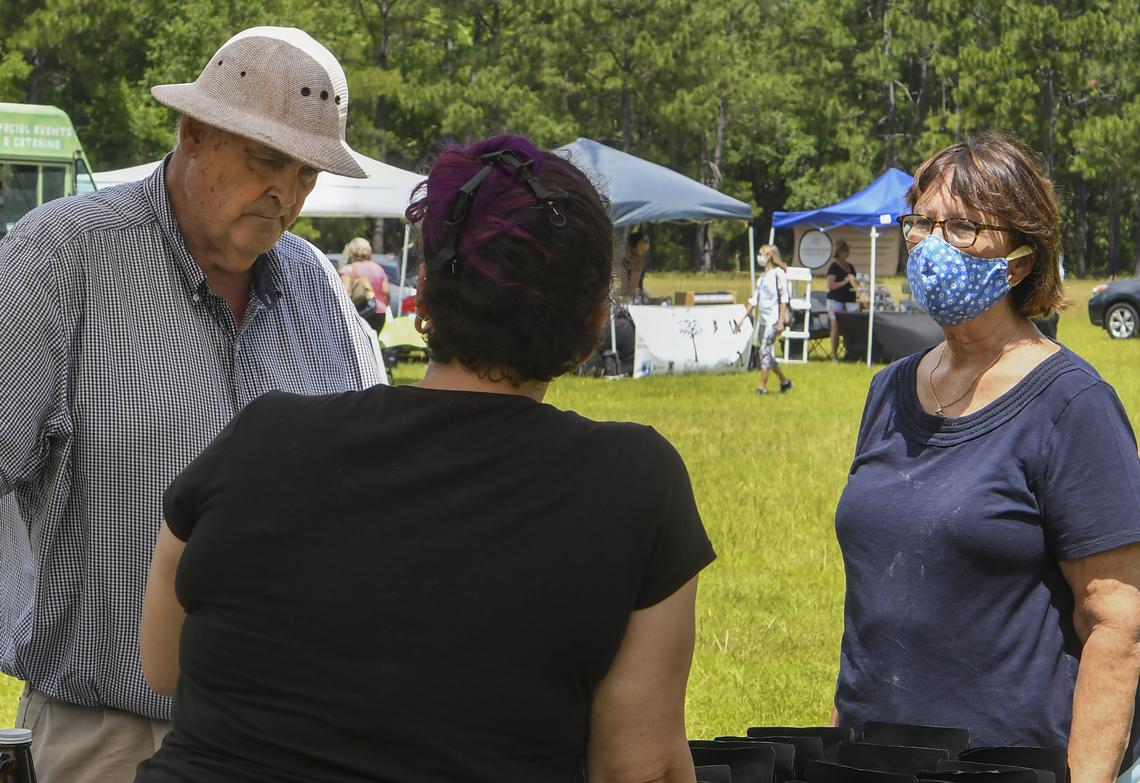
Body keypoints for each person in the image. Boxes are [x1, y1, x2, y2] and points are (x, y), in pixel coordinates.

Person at [135, 135, 715, 783]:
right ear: (592, 324)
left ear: (425, 293)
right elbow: (638, 765)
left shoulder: (261, 437)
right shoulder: (633, 483)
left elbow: (162, 664)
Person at [0, 26, 384, 783]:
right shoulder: (59, 258)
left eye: (307, 172)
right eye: (267, 159)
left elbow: (379, 497)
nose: (288, 193)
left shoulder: (319, 290)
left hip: (302, 733)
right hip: (112, 737)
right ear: (195, 133)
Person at [831, 131, 1140, 783]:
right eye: (923, 221)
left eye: (964, 227)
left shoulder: (1072, 405)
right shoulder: (888, 390)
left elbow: (1117, 624)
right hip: (870, 759)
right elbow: (875, 603)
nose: (932, 243)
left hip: (1003, 766)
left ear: (1021, 261)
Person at [737, 244, 793, 395]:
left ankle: (762, 385)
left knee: (764, 350)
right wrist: (742, 318)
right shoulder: (762, 278)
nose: (760, 257)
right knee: (766, 353)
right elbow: (754, 300)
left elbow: (784, 299)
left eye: (762, 254)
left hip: (773, 318)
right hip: (762, 319)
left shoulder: (778, 274)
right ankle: (784, 381)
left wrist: (781, 320)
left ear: (770, 256)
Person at [340, 235, 391, 332]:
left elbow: (345, 293)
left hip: (358, 313)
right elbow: (386, 291)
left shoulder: (348, 270)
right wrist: (385, 304)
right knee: (374, 343)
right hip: (379, 313)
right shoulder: (378, 268)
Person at [826, 239, 859, 360]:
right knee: (835, 326)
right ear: (840, 253)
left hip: (849, 300)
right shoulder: (833, 267)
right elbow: (830, 285)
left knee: (850, 326)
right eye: (845, 251)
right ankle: (834, 354)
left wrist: (853, 281)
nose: (847, 253)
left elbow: (856, 285)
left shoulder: (850, 267)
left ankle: (849, 352)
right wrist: (845, 281)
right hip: (835, 300)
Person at [621, 230, 649, 300]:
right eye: (644, 241)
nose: (646, 244)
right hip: (632, 297)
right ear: (638, 244)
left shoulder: (628, 257)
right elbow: (635, 283)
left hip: (627, 295)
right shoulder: (637, 260)